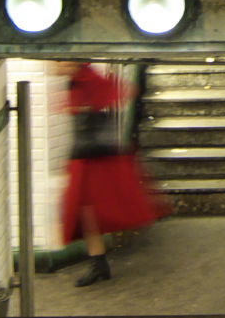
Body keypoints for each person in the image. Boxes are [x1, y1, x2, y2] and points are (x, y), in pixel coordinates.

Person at [53, 61, 168, 287]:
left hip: (92, 158)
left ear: (71, 63)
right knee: (86, 213)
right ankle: (98, 263)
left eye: (59, 61)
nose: (54, 66)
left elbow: (121, 91)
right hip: (86, 155)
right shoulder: (78, 80)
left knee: (89, 210)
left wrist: (87, 106)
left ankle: (99, 263)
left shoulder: (87, 79)